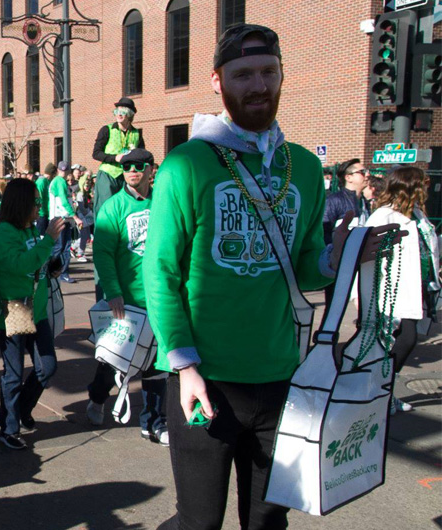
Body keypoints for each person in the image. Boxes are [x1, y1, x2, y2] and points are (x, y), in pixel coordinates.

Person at [144, 25, 399, 530]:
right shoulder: (186, 164)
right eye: (242, 74)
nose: (257, 85)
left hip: (282, 378)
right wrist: (183, 365)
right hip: (204, 378)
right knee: (199, 523)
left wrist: (338, 258)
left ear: (282, 75)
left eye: (267, 71)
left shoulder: (303, 166)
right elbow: (161, 271)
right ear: (218, 81)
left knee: (265, 521)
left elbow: (303, 263)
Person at [84, 149, 168, 446]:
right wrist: (113, 292)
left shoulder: (164, 202)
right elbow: (103, 255)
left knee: (157, 364)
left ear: (151, 170)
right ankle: (96, 398)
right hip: (127, 300)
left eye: (139, 166)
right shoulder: (113, 207)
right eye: (128, 166)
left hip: (160, 298)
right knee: (115, 362)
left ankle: (154, 422)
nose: (132, 170)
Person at [0, 178, 66, 450]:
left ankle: (22, 408)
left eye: (40, 202)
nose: (39, 208)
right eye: (35, 202)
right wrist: (49, 241)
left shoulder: (32, 229)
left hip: (38, 310)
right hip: (14, 309)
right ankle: (8, 429)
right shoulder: (2, 234)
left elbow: (38, 263)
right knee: (13, 374)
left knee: (47, 366)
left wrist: (53, 265)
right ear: (21, 204)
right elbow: (21, 265)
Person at [357, 166, 439, 413]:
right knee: (397, 342)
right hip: (388, 293)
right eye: (422, 184)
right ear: (409, 187)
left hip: (415, 289)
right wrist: (363, 299)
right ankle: (374, 394)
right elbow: (366, 259)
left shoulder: (417, 214)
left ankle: (383, 392)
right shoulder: (384, 217)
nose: (426, 189)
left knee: (404, 341)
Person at [322, 158, 370, 306]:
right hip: (339, 263)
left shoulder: (364, 202)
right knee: (335, 307)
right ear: (348, 178)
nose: (367, 175)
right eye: (362, 172)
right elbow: (324, 230)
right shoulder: (334, 200)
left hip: (361, 260)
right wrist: (334, 254)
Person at [91, 97, 145, 217]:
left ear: (130, 115)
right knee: (105, 208)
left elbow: (142, 155)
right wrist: (115, 158)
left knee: (125, 208)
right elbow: (96, 153)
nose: (119, 114)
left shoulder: (137, 134)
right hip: (108, 175)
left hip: (126, 176)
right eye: (117, 111)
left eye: (123, 112)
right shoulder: (106, 130)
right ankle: (102, 234)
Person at [47, 161, 84, 284]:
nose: (63, 172)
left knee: (63, 246)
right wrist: (75, 217)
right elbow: (63, 201)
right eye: (62, 170)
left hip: (62, 217)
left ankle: (58, 272)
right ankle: (56, 272)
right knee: (61, 247)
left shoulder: (58, 182)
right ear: (58, 170)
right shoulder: (59, 182)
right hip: (60, 217)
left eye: (65, 170)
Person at [34, 163, 53, 233]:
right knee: (40, 234)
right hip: (42, 213)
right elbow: (38, 198)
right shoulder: (41, 182)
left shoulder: (48, 181)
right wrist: (39, 211)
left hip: (47, 212)